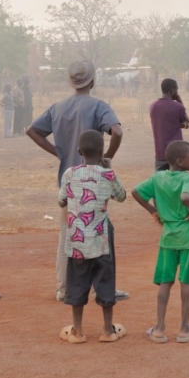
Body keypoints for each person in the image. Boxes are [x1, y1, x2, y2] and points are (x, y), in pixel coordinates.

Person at [26, 60, 127, 302]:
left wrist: (59, 152)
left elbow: (32, 130)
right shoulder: (99, 106)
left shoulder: (58, 107)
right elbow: (118, 131)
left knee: (67, 236)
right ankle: (101, 289)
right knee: (99, 233)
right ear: (93, 81)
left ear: (71, 82)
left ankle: (63, 289)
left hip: (69, 182)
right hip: (95, 181)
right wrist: (107, 157)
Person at [57, 130, 127, 343]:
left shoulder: (69, 173)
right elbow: (121, 196)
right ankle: (107, 330)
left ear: (79, 151)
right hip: (101, 240)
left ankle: (77, 331)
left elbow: (61, 201)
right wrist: (108, 169)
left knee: (77, 282)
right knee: (105, 281)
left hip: (76, 241)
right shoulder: (108, 174)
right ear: (102, 152)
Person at [131, 140, 189, 344]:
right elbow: (186, 197)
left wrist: (153, 211)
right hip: (188, 236)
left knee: (165, 282)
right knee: (186, 281)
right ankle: (184, 329)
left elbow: (135, 192)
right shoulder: (188, 178)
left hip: (167, 237)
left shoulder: (157, 177)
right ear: (181, 161)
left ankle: (159, 329)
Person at [150, 78, 189, 172]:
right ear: (172, 90)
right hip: (176, 153)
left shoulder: (153, 106)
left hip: (160, 152)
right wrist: (179, 101)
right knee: (177, 182)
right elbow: (186, 121)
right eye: (177, 89)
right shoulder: (177, 106)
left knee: (160, 183)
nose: (177, 92)